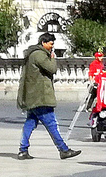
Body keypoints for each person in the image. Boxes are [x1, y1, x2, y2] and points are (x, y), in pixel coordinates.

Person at [16, 32, 80, 161]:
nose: (52, 46)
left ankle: (23, 150)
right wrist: (52, 57)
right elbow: (52, 68)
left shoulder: (32, 54)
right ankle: (63, 149)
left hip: (32, 96)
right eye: (51, 44)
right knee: (51, 123)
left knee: (30, 122)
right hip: (41, 96)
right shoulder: (39, 55)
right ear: (43, 43)